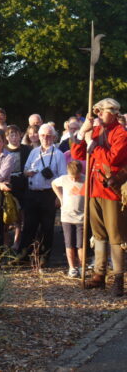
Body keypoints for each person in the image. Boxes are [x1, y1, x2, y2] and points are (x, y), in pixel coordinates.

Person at [72, 98, 127, 296]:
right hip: (94, 188)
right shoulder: (95, 131)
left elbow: (113, 159)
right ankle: (99, 275)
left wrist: (92, 144)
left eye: (102, 112)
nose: (99, 115)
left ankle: (119, 278)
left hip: (111, 190)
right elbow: (77, 153)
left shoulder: (121, 133)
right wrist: (81, 132)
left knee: (116, 235)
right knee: (99, 234)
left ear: (112, 112)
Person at [16, 124, 67, 266]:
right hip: (32, 193)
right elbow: (25, 170)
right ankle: (23, 256)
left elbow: (63, 177)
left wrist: (59, 197)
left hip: (49, 194)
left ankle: (44, 257)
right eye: (43, 135)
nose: (46, 138)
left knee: (47, 227)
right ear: (39, 136)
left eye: (49, 135)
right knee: (29, 226)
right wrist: (28, 172)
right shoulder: (34, 152)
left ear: (54, 137)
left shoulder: (59, 155)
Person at [52, 161, 85, 278]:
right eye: (72, 177)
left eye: (76, 177)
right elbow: (54, 184)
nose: (74, 180)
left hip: (81, 217)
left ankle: (81, 266)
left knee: (81, 244)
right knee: (69, 243)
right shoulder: (64, 179)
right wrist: (60, 197)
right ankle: (72, 267)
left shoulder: (85, 180)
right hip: (66, 216)